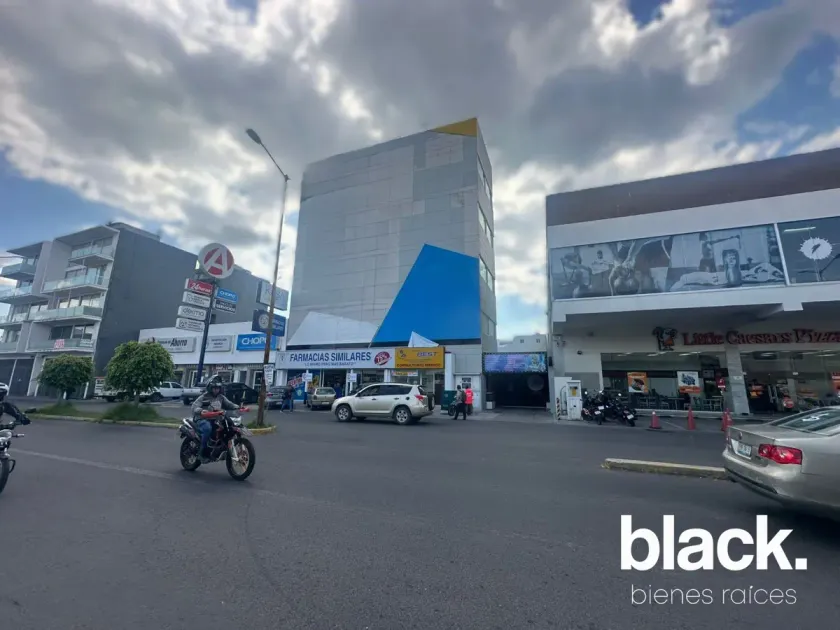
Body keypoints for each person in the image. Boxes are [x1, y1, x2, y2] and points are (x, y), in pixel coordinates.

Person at [191, 381, 238, 462]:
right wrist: (201, 410)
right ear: (210, 388)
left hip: (215, 419)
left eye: (218, 388)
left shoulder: (221, 397)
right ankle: (202, 453)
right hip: (202, 419)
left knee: (227, 426)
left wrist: (238, 407)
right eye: (214, 388)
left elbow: (229, 404)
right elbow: (194, 407)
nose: (216, 390)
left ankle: (219, 447)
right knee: (207, 428)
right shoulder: (204, 397)